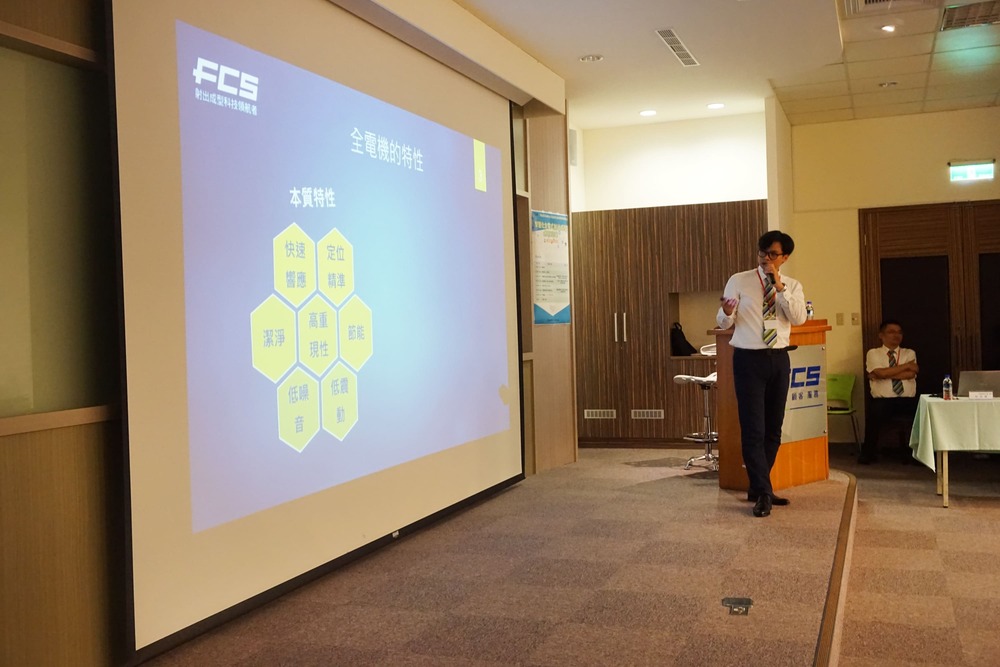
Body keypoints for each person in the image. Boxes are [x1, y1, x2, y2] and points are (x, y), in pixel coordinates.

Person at [717, 230, 807, 518]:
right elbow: (723, 322)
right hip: (749, 360)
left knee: (773, 429)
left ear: (785, 257)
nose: (766, 258)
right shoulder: (739, 280)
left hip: (779, 359)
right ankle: (764, 492)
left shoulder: (792, 286)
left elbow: (798, 318)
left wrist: (779, 287)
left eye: (772, 254)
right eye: (762, 253)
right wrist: (726, 312)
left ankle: (759, 487)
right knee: (753, 428)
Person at [859, 319, 918, 464]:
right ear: (881, 335)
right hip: (882, 400)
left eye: (899, 333)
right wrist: (905, 367)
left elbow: (911, 373)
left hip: (907, 399)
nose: (896, 336)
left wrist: (882, 375)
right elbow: (882, 373)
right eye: (891, 332)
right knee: (875, 413)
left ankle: (917, 454)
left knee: (923, 413)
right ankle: (868, 453)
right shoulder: (873, 353)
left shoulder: (909, 353)